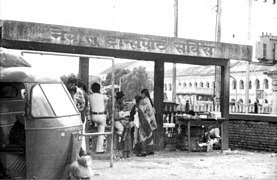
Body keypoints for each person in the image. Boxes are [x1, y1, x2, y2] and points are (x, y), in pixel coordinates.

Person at [88, 82, 108, 154]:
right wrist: (105, 107)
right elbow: (107, 100)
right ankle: (99, 149)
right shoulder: (103, 96)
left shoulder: (89, 96)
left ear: (92, 89)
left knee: (88, 130)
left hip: (93, 116)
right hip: (101, 115)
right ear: (99, 89)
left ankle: (88, 148)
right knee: (101, 132)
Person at [138, 89, 157, 156]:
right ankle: (150, 150)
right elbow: (153, 111)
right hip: (150, 120)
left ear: (144, 94)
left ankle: (144, 151)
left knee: (142, 135)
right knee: (149, 134)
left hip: (144, 119)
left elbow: (141, 110)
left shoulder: (143, 101)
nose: (141, 95)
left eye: (142, 94)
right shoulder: (150, 100)